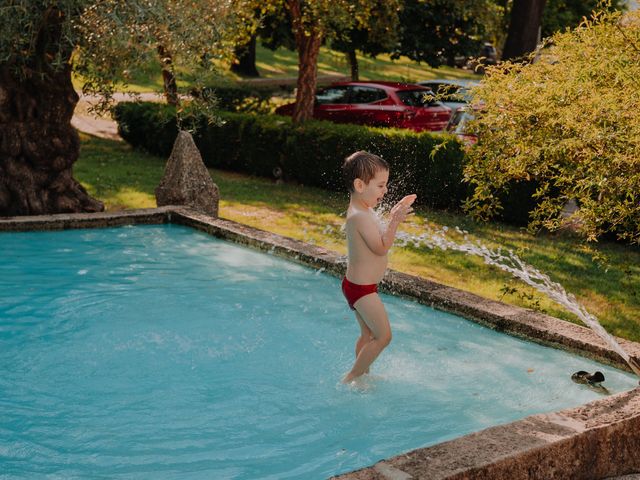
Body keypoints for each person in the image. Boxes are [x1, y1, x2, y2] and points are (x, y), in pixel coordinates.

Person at [340, 151, 416, 384]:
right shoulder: (359, 217)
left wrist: (393, 216)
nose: (385, 191)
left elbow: (378, 238)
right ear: (360, 185)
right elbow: (381, 247)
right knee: (383, 336)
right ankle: (351, 376)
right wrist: (395, 220)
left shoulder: (363, 211)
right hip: (362, 290)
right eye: (381, 185)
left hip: (357, 286)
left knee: (368, 334)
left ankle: (362, 374)